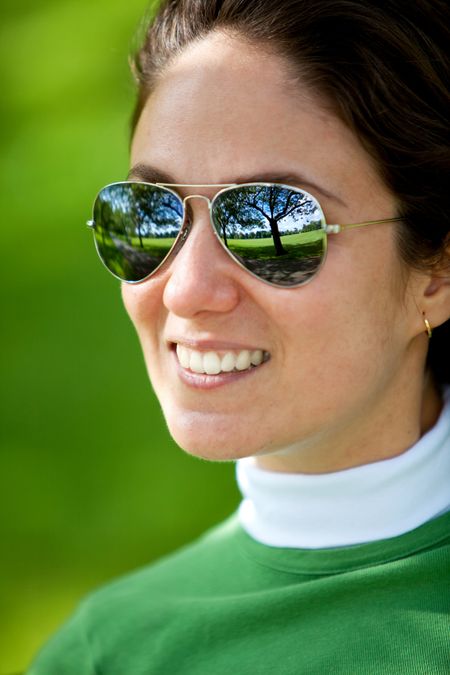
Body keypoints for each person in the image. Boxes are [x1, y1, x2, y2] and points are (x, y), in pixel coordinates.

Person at [28, 0, 450, 672]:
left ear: (437, 271)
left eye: (273, 222)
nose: (186, 288)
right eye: (150, 214)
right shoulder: (105, 652)